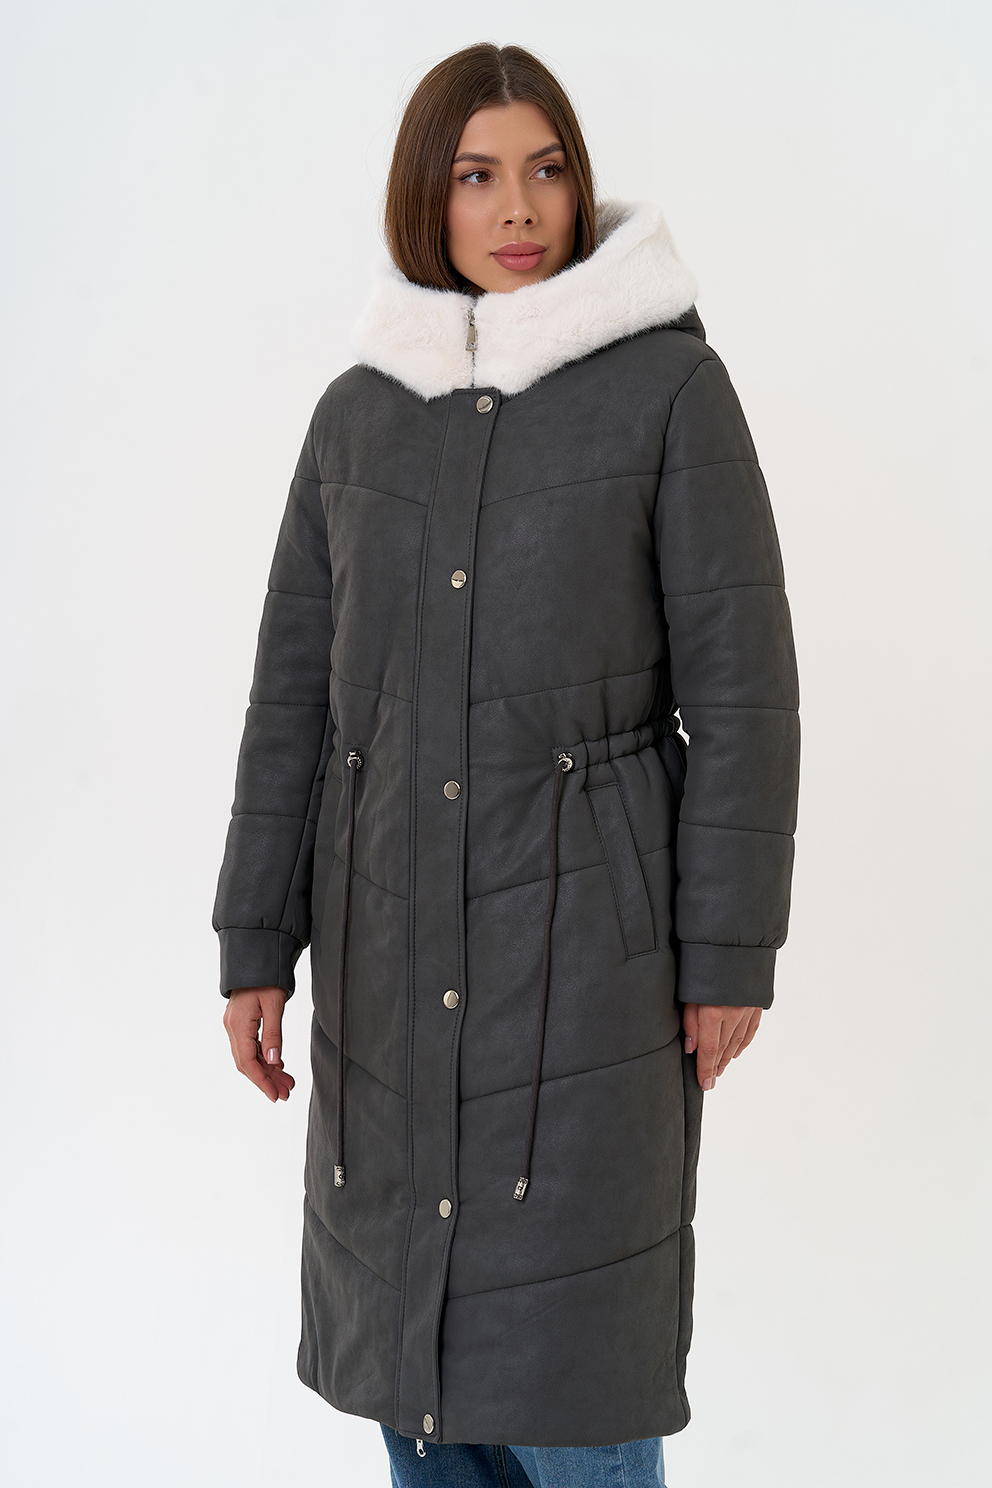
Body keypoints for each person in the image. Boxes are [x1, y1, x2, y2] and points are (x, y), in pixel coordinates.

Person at [213, 40, 800, 1488]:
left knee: (575, 1381)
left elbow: (742, 690)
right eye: (477, 176)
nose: (518, 207)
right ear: (428, 196)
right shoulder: (359, 415)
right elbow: (294, 698)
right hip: (388, 957)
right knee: (418, 1395)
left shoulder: (668, 392)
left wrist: (730, 950)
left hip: (588, 969)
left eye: (546, 171)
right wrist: (256, 939)